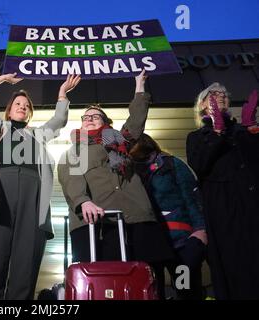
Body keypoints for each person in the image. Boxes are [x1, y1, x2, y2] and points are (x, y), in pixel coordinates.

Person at [58, 71, 174, 292]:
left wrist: (139, 86)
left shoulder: (118, 140)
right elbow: (71, 178)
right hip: (102, 224)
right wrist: (83, 201)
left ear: (107, 122)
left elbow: (136, 122)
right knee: (108, 285)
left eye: (95, 116)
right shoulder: (74, 151)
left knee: (147, 281)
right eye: (86, 117)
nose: (89, 119)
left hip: (137, 218)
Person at [0, 72, 81, 300]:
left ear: (30, 113)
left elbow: (59, 120)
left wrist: (62, 94)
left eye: (26, 105)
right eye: (17, 104)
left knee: (24, 279)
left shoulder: (38, 135)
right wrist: (0, 80)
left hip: (34, 206)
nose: (22, 107)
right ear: (9, 110)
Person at [186, 83, 259, 299]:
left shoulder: (241, 131)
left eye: (223, 95)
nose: (219, 97)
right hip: (223, 207)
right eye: (212, 95)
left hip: (252, 202)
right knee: (234, 262)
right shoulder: (197, 136)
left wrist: (251, 128)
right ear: (201, 105)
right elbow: (200, 164)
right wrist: (216, 133)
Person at [130, 133, 207, 300]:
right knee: (153, 291)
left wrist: (200, 230)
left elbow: (192, 197)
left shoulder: (171, 164)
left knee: (185, 288)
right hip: (152, 243)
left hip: (181, 243)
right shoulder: (130, 172)